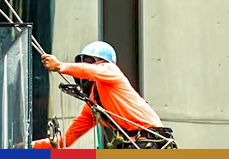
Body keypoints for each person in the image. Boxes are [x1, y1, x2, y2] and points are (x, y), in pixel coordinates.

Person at [31, 41, 176, 150]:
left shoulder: (111, 72)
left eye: (90, 62)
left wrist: (61, 66)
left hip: (149, 142)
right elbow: (66, 140)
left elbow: (91, 71)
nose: (86, 66)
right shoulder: (93, 106)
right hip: (136, 145)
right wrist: (30, 146)